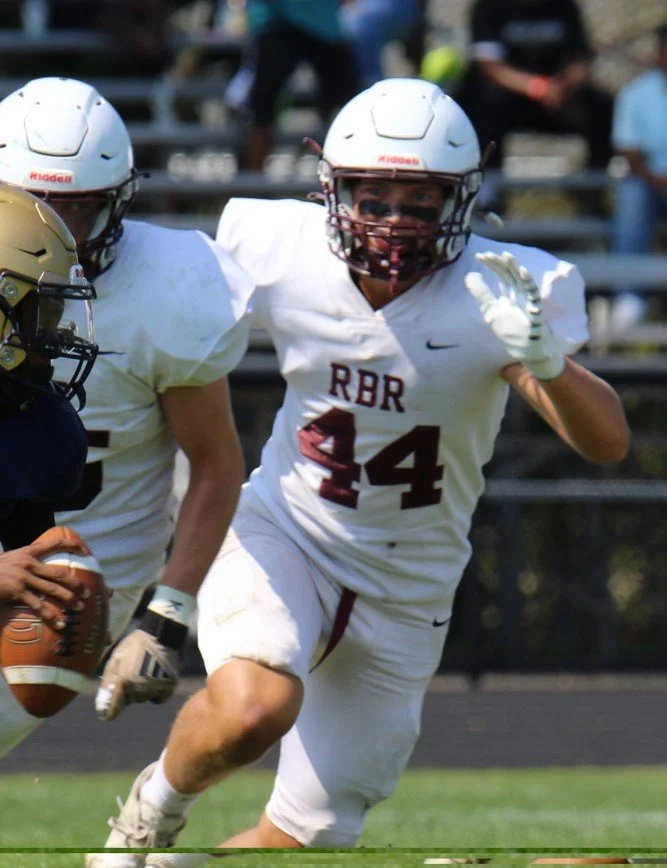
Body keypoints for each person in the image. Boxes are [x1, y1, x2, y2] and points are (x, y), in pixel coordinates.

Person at [87, 79, 630, 866]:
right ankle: (145, 820)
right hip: (288, 532)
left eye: (420, 200)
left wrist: (546, 361)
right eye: (373, 197)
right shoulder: (278, 246)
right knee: (254, 707)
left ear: (460, 198)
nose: (394, 221)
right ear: (331, 189)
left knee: (310, 839)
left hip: (408, 586)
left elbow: (607, 442)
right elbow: (164, 297)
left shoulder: (501, 288)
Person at [0, 77, 255, 752]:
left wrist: (166, 613)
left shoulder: (166, 289)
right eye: (33, 205)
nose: (56, 233)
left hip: (67, 585)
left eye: (77, 208)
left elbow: (216, 462)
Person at [0, 181, 99, 758]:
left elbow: (24, 559)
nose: (54, 335)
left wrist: (57, 582)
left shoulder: (34, 421)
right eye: (41, 312)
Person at [458, 0, 614, 176]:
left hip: (556, 98)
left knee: (603, 107)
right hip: (508, 98)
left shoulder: (564, 6)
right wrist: (537, 87)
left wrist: (564, 86)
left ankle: (594, 182)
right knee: (486, 105)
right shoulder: (490, 7)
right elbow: (489, 66)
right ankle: (488, 183)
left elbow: (579, 58)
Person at [226, 0, 359, 170]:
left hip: (324, 25)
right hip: (275, 24)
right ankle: (253, 176)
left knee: (346, 109)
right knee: (260, 109)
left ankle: (344, 174)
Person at [608, 24, 667, 332]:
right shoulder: (635, 93)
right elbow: (629, 149)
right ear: (659, 53)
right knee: (631, 192)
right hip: (650, 184)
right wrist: (654, 177)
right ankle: (629, 296)